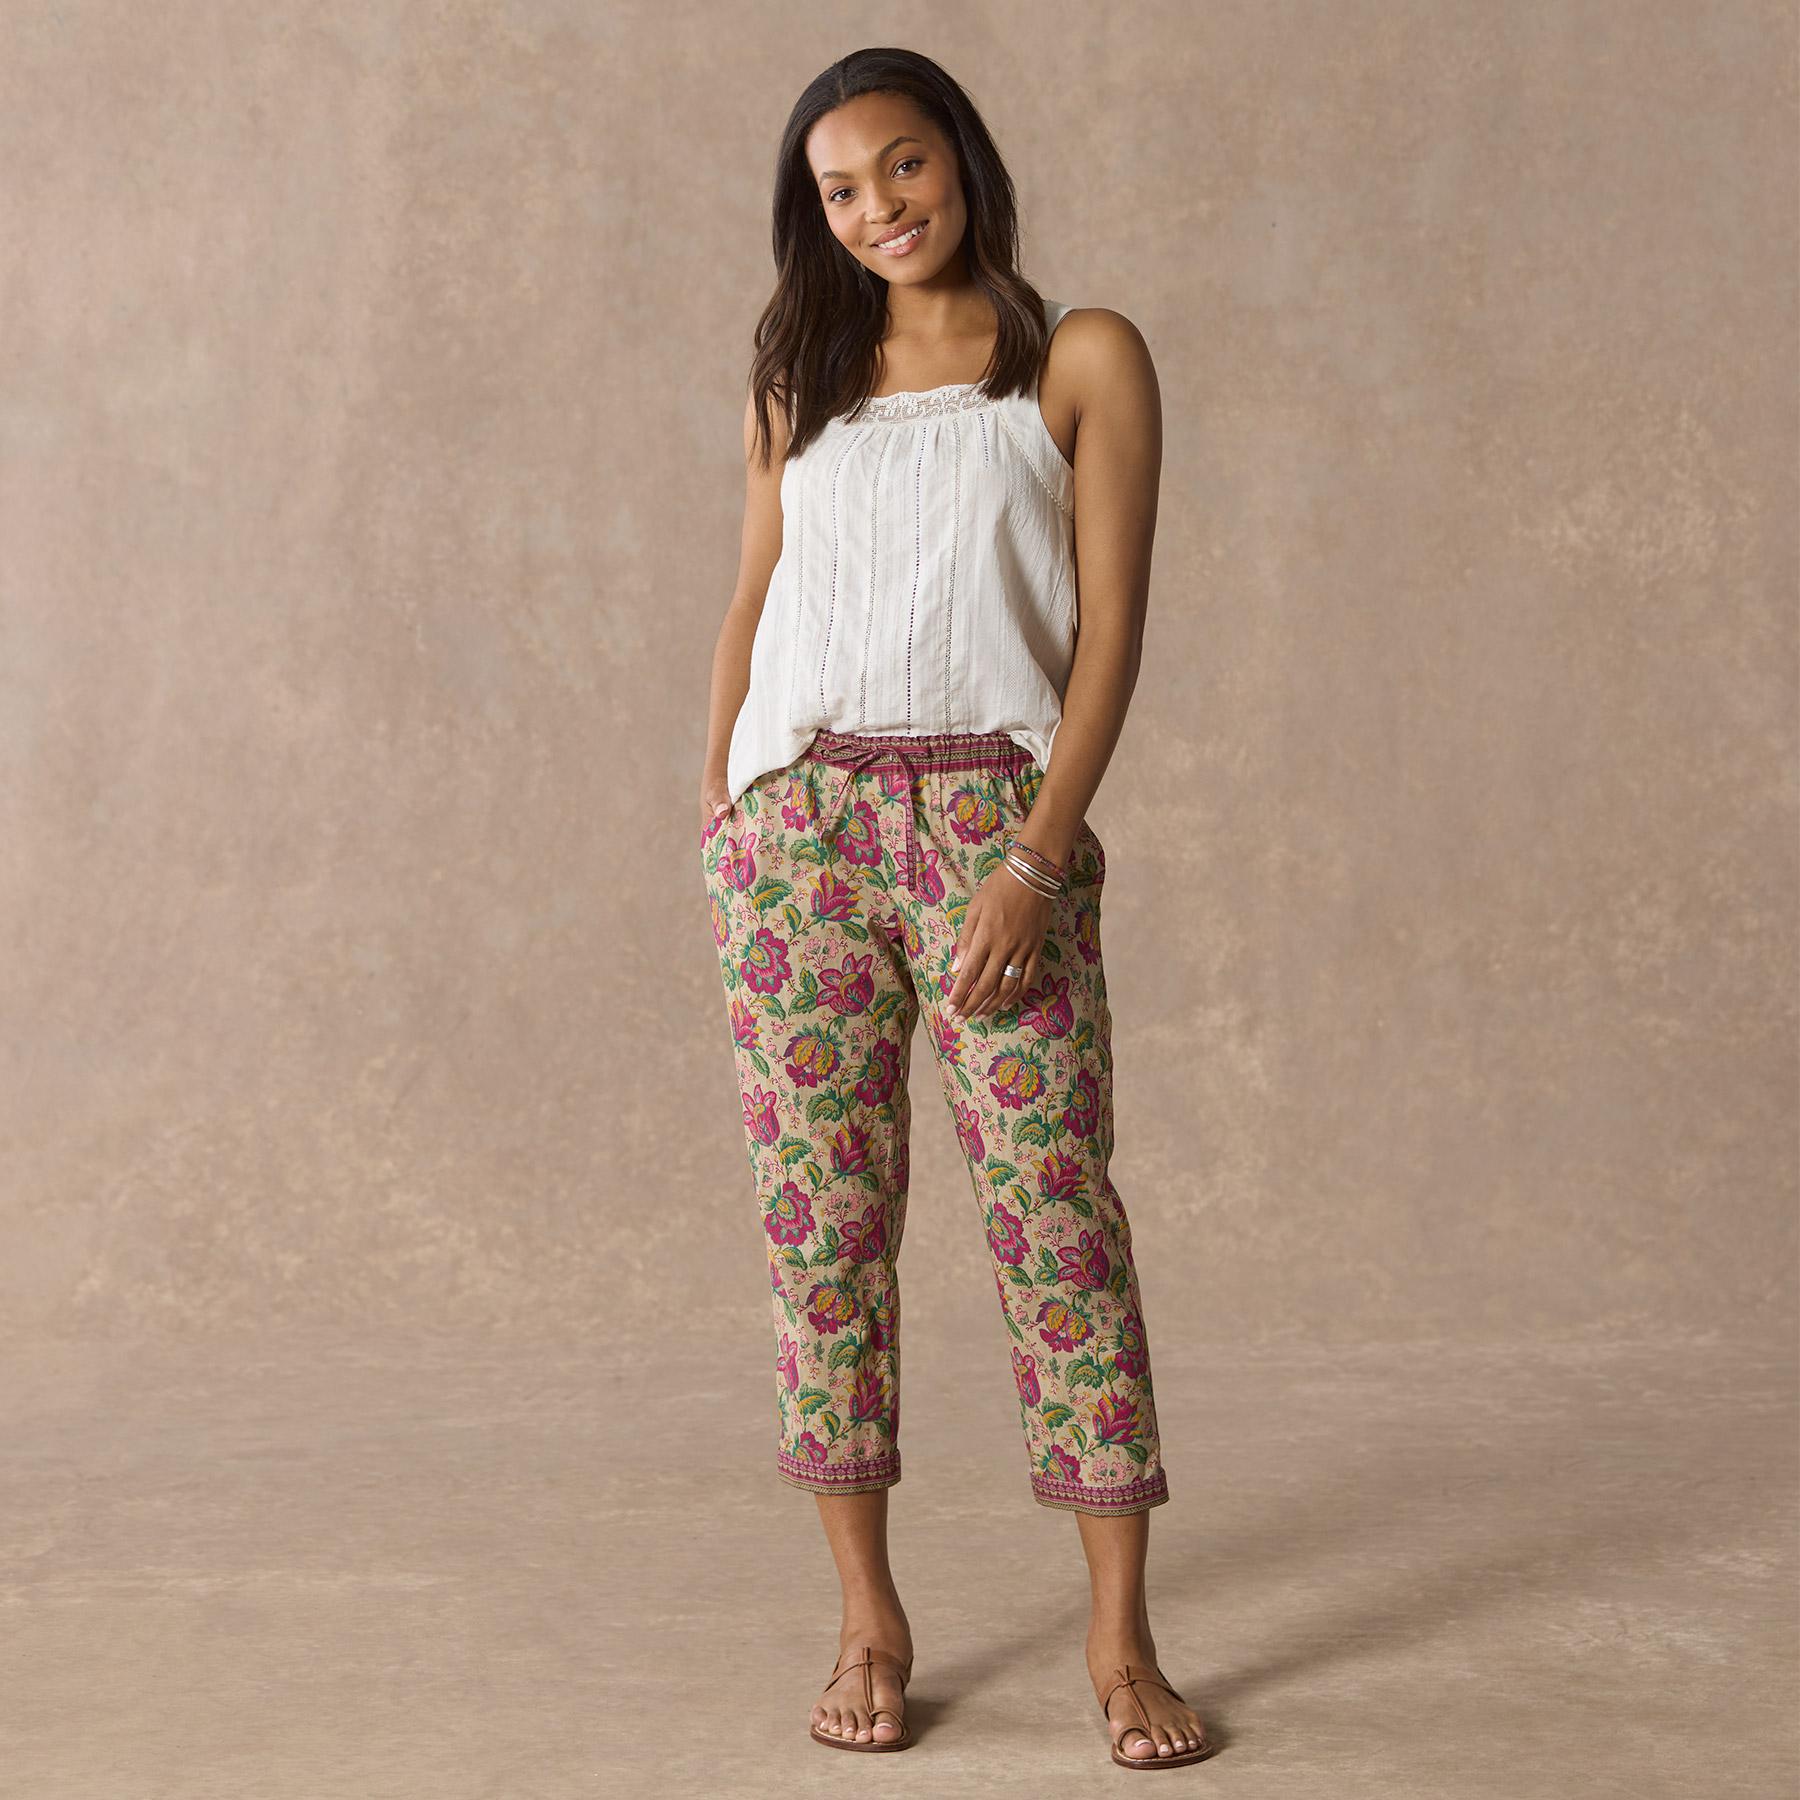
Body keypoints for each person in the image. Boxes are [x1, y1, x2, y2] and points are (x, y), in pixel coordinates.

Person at [695, 47, 1213, 1771]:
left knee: (1059, 1221)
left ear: (964, 160)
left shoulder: (1080, 356)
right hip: (804, 836)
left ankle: (1122, 1644)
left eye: (903, 167)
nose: (880, 210)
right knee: (822, 1235)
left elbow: (1113, 628)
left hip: (998, 819)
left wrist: (1037, 859)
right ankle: (869, 1621)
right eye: (841, 191)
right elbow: (753, 596)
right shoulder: (800, 373)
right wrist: (727, 815)